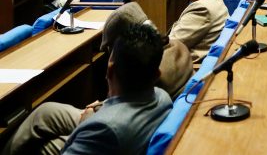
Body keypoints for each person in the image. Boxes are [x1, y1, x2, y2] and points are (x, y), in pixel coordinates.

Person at [1, 8, 190, 155]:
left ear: (110, 70)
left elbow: (106, 126)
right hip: (122, 120)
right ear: (156, 74)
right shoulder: (162, 95)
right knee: (46, 112)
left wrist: (88, 123)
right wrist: (99, 110)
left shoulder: (103, 128)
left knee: (42, 147)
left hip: (111, 134)